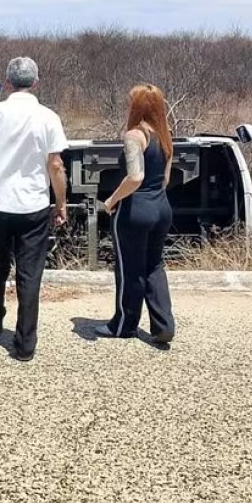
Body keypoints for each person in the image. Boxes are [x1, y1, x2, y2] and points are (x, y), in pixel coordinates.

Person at [0, 57, 69, 362]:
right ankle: (25, 342)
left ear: (8, 84)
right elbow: (55, 164)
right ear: (36, 82)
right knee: (30, 273)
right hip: (33, 205)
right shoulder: (49, 117)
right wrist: (60, 203)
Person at [93, 85, 176, 343]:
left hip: (135, 210)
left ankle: (123, 324)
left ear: (138, 106)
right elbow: (165, 178)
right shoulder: (165, 135)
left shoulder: (134, 136)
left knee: (129, 268)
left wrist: (111, 200)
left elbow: (135, 176)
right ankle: (164, 325)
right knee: (154, 265)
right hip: (161, 208)